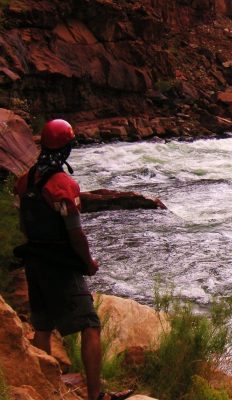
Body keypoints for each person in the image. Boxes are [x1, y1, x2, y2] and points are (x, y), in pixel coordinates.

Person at [13, 119, 132, 400]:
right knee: (90, 325)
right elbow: (75, 233)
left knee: (42, 326)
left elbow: (23, 224)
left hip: (34, 261)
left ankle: (43, 390)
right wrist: (88, 262)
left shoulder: (24, 180)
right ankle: (95, 396)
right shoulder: (63, 185)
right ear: (65, 149)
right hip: (60, 265)